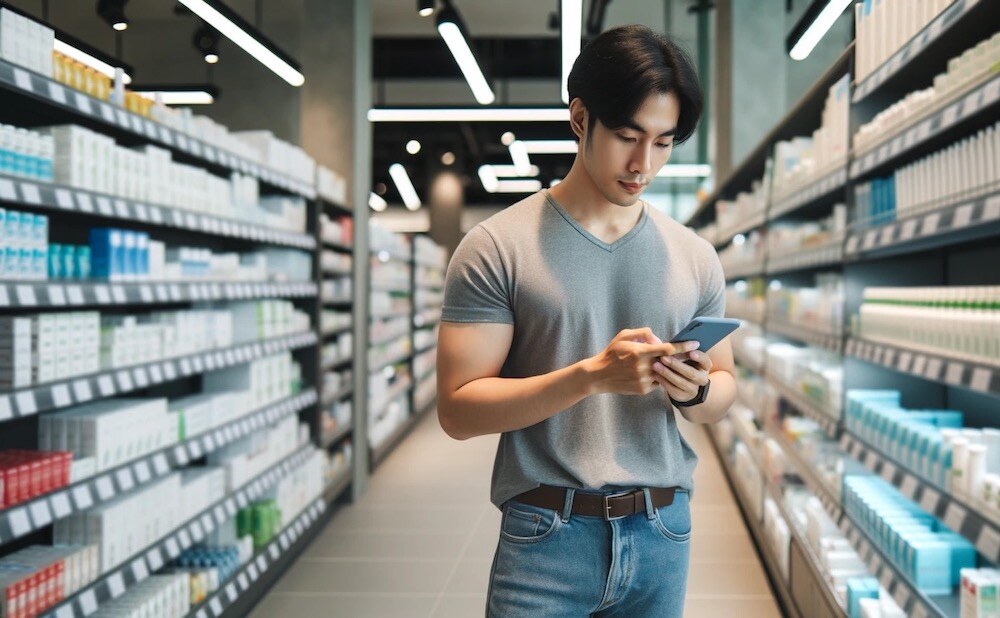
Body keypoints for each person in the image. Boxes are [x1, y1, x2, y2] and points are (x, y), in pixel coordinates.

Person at [436, 24, 736, 617]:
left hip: (663, 532)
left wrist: (697, 389)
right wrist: (590, 377)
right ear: (580, 119)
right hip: (547, 535)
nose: (642, 163)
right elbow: (458, 410)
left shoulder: (696, 256)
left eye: (664, 142)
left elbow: (725, 388)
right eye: (627, 136)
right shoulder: (498, 246)